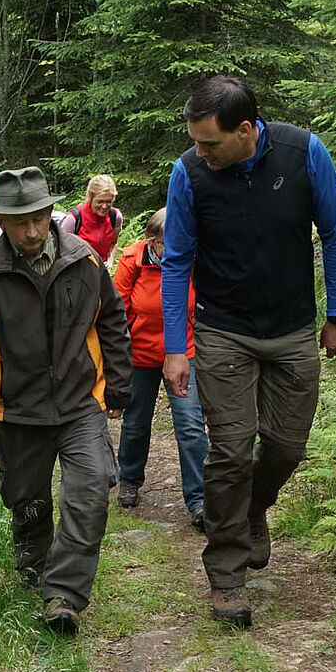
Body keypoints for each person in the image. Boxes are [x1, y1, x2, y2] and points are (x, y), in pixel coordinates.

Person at [162, 76, 336, 628]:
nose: (200, 152)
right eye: (195, 141)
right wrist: (177, 348)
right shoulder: (189, 174)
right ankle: (226, 576)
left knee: (287, 448)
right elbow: (176, 262)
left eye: (210, 142)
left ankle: (252, 510)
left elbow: (335, 235)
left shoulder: (304, 153)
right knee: (229, 451)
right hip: (222, 331)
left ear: (245, 130)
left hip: (293, 329)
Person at [0, 166, 132, 636]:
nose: (31, 230)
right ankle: (33, 558)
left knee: (89, 494)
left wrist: (119, 386)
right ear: (0, 221)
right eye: (19, 221)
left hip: (79, 403)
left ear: (50, 212)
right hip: (16, 408)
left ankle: (64, 595)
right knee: (26, 501)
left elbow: (111, 319)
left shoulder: (83, 259)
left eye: (39, 217)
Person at [113, 208, 208, 530]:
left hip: (184, 354)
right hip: (139, 354)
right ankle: (129, 480)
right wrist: (116, 363)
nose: (183, 248)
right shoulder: (132, 260)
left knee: (191, 424)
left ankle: (200, 500)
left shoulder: (194, 260)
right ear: (153, 242)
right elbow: (116, 312)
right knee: (136, 420)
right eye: (173, 243)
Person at [60, 174, 123, 268]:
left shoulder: (115, 216)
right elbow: (60, 248)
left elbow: (114, 243)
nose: (104, 206)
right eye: (100, 202)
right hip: (76, 271)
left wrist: (110, 261)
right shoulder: (74, 218)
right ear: (90, 198)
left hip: (101, 272)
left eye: (108, 201)